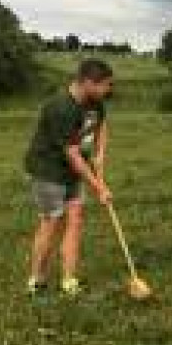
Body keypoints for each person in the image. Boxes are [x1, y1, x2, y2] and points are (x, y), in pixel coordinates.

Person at [24, 59, 114, 297]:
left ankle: (69, 281)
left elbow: (101, 125)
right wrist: (98, 187)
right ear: (86, 82)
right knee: (52, 223)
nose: (108, 90)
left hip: (75, 169)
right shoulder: (60, 108)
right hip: (49, 171)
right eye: (104, 85)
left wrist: (99, 156)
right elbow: (72, 155)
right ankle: (37, 281)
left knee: (75, 220)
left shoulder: (96, 102)